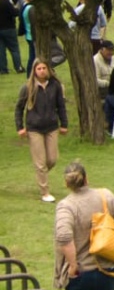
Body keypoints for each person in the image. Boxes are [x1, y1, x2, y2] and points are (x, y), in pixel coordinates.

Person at [54, 162, 114, 290]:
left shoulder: (66, 206)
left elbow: (63, 236)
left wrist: (73, 266)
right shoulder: (105, 196)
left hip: (80, 273)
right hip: (107, 269)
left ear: (66, 183)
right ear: (86, 179)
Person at [15, 61, 68, 202]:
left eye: (44, 68)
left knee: (52, 159)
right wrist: (20, 127)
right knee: (40, 162)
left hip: (51, 126)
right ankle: (45, 192)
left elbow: (61, 106)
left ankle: (41, 174)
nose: (42, 71)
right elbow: (19, 108)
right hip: (34, 128)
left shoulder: (55, 86)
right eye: (39, 68)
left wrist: (64, 124)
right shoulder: (27, 87)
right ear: (34, 70)